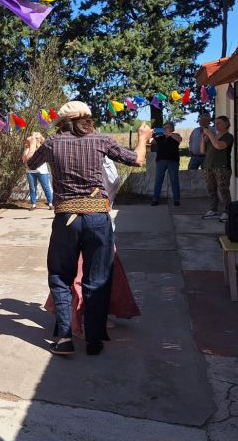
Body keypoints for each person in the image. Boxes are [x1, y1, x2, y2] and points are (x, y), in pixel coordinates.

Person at [23, 101, 151, 356]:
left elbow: (30, 164)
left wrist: (31, 145)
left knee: (60, 277)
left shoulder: (51, 143)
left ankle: (64, 339)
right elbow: (137, 160)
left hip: (65, 218)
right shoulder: (100, 140)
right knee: (98, 279)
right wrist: (143, 137)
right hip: (97, 217)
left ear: (61, 122)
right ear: (88, 119)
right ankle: (94, 340)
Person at [44, 157, 141, 336]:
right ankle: (81, 319)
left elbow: (112, 183)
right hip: (92, 227)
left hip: (82, 225)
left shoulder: (73, 161)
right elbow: (113, 182)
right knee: (87, 278)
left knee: (79, 277)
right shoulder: (77, 161)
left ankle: (82, 319)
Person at [201, 115, 234, 223]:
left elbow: (219, 146)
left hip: (222, 167)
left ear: (226, 124)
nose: (216, 125)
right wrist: (203, 140)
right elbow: (203, 151)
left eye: (219, 123)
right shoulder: (214, 136)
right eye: (215, 123)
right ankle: (213, 209)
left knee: (223, 189)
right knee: (211, 189)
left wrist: (210, 134)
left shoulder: (228, 136)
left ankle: (228, 212)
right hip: (208, 166)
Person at [151, 122, 182, 206]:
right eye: (164, 127)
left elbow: (179, 140)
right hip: (161, 161)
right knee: (158, 180)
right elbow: (152, 142)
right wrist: (152, 133)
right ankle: (155, 199)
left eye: (167, 127)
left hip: (173, 161)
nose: (165, 129)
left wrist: (170, 134)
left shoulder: (176, 135)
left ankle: (176, 199)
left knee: (174, 180)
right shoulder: (160, 137)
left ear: (172, 128)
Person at [22, 132, 54, 210]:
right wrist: (26, 149)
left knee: (46, 187)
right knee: (32, 188)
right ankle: (33, 204)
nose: (35, 140)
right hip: (30, 172)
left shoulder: (42, 148)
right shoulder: (28, 148)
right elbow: (24, 159)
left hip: (42, 171)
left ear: (40, 139)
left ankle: (50, 203)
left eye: (37, 138)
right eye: (34, 138)